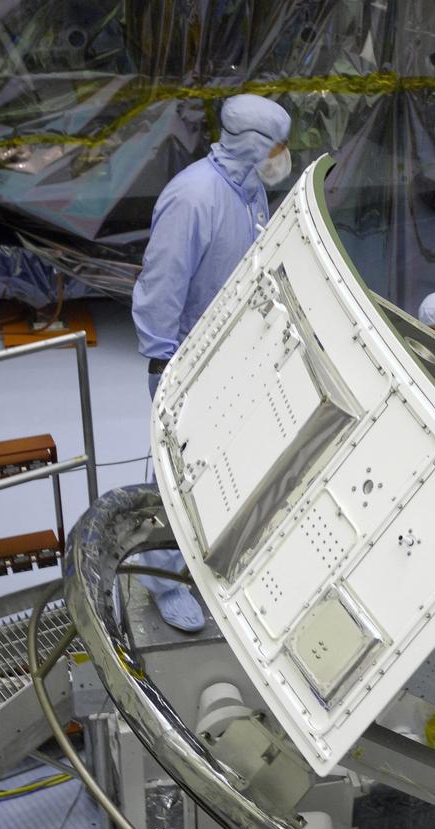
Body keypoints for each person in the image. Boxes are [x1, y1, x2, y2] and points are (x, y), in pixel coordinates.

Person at [132, 93, 292, 630]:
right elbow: (160, 286)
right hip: (187, 361)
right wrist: (163, 365)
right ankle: (161, 580)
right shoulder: (195, 198)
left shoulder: (248, 192)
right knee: (179, 479)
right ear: (252, 145)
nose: (282, 157)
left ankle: (213, 567)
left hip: (236, 354)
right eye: (277, 146)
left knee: (229, 473)